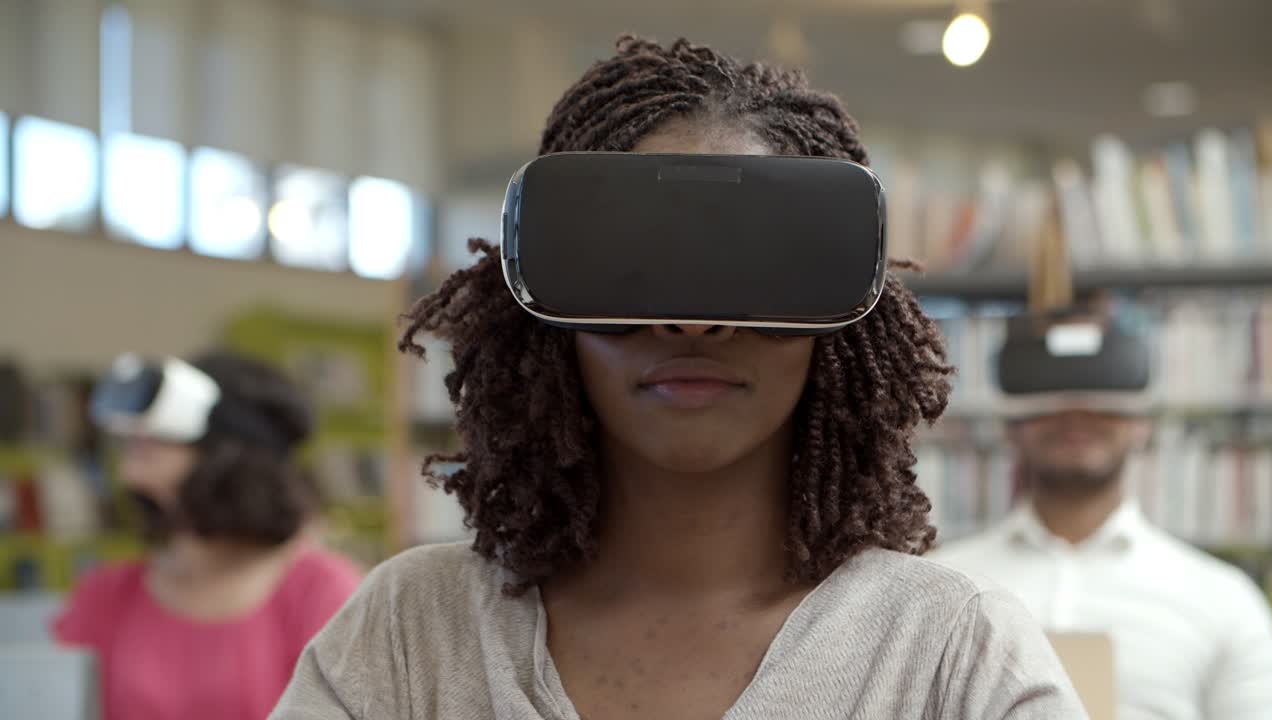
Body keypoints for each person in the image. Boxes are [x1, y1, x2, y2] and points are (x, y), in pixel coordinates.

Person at [271, 35, 1085, 719]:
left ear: (835, 319)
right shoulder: (411, 634)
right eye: (639, 269)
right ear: (549, 306)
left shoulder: (950, 657)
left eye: (750, 272)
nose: (695, 324)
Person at [930, 303, 1272, 719]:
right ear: (1010, 425)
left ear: (1142, 423)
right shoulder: (940, 587)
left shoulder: (1224, 599)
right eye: (1052, 402)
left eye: (1102, 403)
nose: (1076, 417)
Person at [55, 350, 363, 720]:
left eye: (158, 433)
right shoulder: (107, 595)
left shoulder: (321, 592)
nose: (138, 444)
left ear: (228, 452)